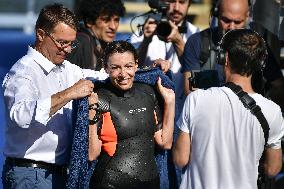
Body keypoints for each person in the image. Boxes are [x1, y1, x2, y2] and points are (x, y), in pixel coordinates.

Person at [1, 4, 107, 189]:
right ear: (41, 35)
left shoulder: (68, 70)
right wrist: (69, 94)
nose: (67, 49)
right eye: (61, 42)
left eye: (71, 43)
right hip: (29, 175)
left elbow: (106, 76)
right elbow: (20, 116)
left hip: (58, 173)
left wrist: (143, 69)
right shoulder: (23, 72)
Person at [173, 29, 284, 189]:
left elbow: (180, 158)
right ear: (260, 63)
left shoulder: (196, 99)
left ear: (225, 58)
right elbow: (273, 169)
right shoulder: (273, 111)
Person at [87, 41, 175, 189]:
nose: (123, 74)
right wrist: (91, 111)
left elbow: (164, 142)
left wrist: (170, 102)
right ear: (106, 68)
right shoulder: (98, 98)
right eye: (115, 68)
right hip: (110, 182)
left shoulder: (148, 92)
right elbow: (92, 154)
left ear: (136, 65)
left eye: (128, 66)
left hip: (151, 182)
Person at [131, 0, 199, 126]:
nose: (176, 7)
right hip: (146, 112)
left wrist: (178, 41)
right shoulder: (145, 28)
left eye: (182, 2)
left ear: (189, 4)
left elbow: (198, 77)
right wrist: (145, 41)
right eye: (172, 1)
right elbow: (130, 68)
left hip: (182, 114)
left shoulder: (196, 34)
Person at [182, 0, 250, 95]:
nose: (232, 27)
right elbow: (191, 92)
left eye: (238, 22)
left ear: (247, 17)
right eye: (226, 20)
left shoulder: (257, 45)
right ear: (216, 14)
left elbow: (276, 85)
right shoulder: (197, 42)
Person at [67, 0, 126, 71]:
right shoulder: (80, 42)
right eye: (106, 20)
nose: (113, 27)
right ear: (89, 21)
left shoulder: (100, 45)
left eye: (116, 20)